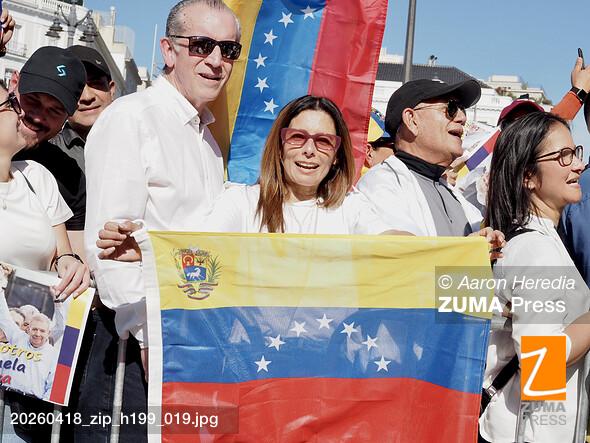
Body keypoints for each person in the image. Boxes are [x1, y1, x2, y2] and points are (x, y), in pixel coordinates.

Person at [83, 0, 242, 439]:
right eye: (202, 45)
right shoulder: (132, 119)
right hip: (138, 352)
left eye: (228, 50)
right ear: (169, 50)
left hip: (191, 344)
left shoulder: (208, 141)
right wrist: (152, 338)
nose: (216, 60)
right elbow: (111, 250)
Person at [97, 95, 404, 262]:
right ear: (280, 146)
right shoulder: (241, 202)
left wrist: (427, 250)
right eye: (297, 137)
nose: (309, 150)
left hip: (327, 356)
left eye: (323, 141)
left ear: (336, 155)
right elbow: (200, 246)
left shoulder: (352, 208)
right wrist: (146, 248)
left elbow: (391, 244)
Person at [480, 112, 590, 443]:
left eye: (576, 153)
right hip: (527, 433)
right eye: (563, 156)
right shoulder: (536, 250)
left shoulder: (531, 240)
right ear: (528, 176)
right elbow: (538, 366)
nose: (578, 165)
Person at [0, 83, 89, 441]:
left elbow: (61, 258)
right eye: (11, 104)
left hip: (22, 378)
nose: (21, 111)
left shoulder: (37, 178)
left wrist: (72, 267)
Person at [356, 79, 504, 250]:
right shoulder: (380, 184)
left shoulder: (452, 193)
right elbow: (404, 257)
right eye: (451, 108)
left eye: (462, 110)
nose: (462, 118)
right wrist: (465, 251)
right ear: (412, 120)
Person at [10, 46, 88, 259]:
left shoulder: (69, 176)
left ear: (68, 116)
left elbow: (74, 259)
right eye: (32, 100)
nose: (37, 117)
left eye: (54, 110)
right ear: (14, 83)